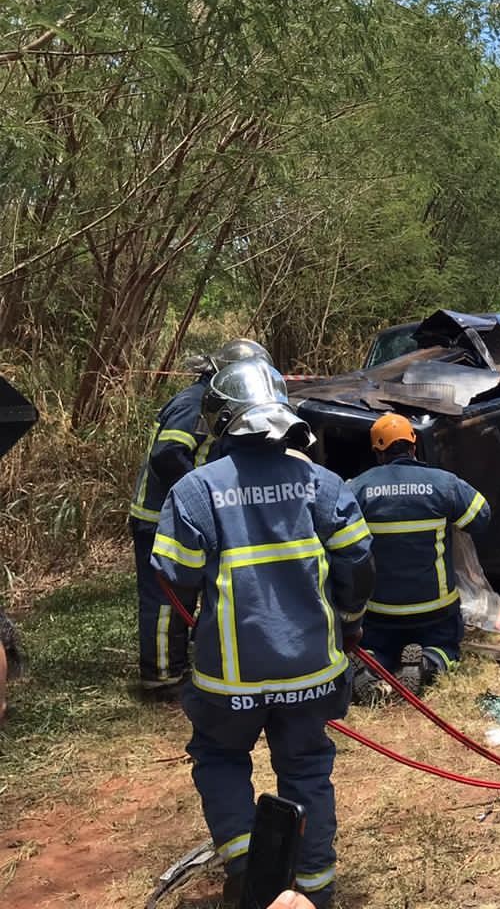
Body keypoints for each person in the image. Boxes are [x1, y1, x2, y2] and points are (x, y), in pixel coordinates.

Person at [151, 359, 374, 907]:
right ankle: (316, 888)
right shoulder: (324, 486)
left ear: (221, 420)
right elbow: (360, 563)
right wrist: (350, 622)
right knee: (307, 769)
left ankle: (249, 867)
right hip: (313, 673)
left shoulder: (196, 491)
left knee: (220, 758)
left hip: (229, 680)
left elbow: (173, 576)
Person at [129, 338, 272, 698]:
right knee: (165, 599)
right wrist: (205, 495)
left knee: (188, 593)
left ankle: (182, 663)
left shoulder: (211, 403)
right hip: (159, 517)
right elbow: (169, 455)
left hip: (181, 517)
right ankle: (161, 679)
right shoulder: (194, 404)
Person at [347, 413, 490, 703]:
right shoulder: (442, 484)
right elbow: (481, 517)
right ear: (414, 446)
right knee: (446, 647)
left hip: (381, 611)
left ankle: (372, 664)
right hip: (434, 610)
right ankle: (426, 663)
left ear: (378, 452)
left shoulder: (358, 488)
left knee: (377, 645)